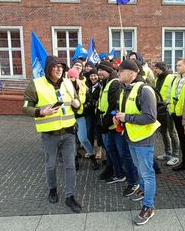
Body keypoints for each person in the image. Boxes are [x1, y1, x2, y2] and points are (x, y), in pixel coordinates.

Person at [23, 55, 82, 213]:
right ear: (48, 68)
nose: (59, 69)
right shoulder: (35, 84)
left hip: (69, 133)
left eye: (61, 67)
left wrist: (78, 104)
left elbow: (76, 102)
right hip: (49, 135)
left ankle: (70, 196)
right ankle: (52, 189)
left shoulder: (68, 83)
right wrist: (41, 111)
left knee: (70, 166)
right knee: (51, 165)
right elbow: (26, 107)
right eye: (55, 66)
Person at [115, 60, 160, 225]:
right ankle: (143, 191)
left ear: (132, 73)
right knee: (140, 170)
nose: (118, 73)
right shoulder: (125, 89)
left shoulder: (145, 90)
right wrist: (119, 116)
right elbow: (128, 111)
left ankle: (149, 207)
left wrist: (126, 117)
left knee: (147, 173)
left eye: (121, 71)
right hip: (132, 137)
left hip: (144, 139)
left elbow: (150, 117)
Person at [97, 60, 139, 197]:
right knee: (114, 151)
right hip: (112, 123)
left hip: (116, 126)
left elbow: (114, 107)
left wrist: (107, 123)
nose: (98, 73)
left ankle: (133, 182)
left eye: (101, 70)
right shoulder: (108, 83)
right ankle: (120, 174)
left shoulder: (115, 83)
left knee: (124, 154)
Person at [68, 61, 99, 170]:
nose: (72, 79)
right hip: (67, 117)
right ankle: (74, 160)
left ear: (77, 77)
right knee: (71, 140)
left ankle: (92, 157)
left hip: (80, 116)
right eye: (70, 77)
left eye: (74, 77)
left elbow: (90, 101)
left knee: (83, 139)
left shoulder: (83, 86)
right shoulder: (63, 87)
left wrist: (80, 106)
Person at [153, 61, 180, 166]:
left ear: (162, 69)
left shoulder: (170, 77)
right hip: (160, 109)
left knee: (172, 132)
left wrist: (167, 105)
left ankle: (175, 155)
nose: (155, 70)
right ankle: (168, 153)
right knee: (163, 131)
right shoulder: (157, 78)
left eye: (156, 68)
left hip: (168, 109)